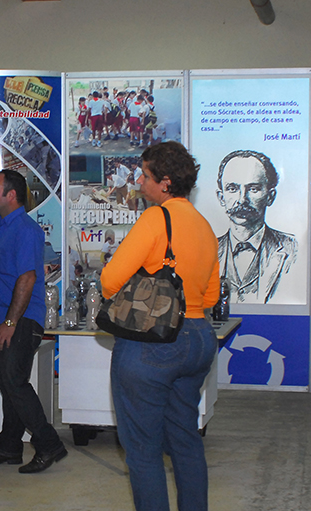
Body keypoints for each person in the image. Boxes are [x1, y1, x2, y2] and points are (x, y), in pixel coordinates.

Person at [101, 141, 220, 511]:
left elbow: (110, 279)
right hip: (199, 339)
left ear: (165, 183)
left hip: (154, 344)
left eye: (146, 175)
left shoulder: (156, 218)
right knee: (185, 439)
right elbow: (212, 295)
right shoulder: (204, 226)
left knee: (142, 449)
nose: (139, 181)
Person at [0, 170, 68, 474]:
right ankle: (9, 446)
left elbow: (27, 278)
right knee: (8, 383)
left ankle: (49, 443)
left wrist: (11, 322)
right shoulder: (0, 228)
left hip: (21, 319)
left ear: (11, 195)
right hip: (3, 317)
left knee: (14, 382)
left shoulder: (25, 229)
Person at [215, 150, 297, 303]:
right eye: (232, 188)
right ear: (221, 197)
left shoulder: (294, 250)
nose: (241, 200)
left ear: (270, 196)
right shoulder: (207, 250)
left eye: (253, 189)